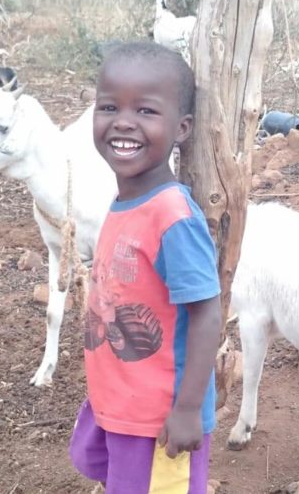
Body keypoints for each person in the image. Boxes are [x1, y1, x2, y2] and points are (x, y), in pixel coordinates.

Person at [69, 41, 222, 494]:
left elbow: (206, 313)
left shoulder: (172, 215)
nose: (124, 122)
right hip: (120, 400)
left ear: (182, 128)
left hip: (157, 419)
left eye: (147, 111)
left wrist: (188, 410)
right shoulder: (127, 201)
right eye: (110, 106)